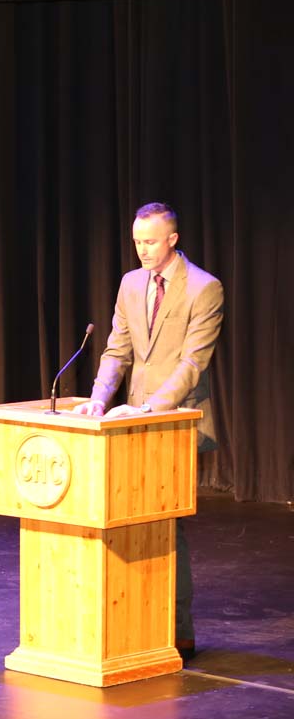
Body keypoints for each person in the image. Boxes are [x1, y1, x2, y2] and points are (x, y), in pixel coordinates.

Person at [71, 201, 224, 661]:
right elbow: (117, 349)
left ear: (173, 239)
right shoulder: (130, 283)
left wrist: (151, 410)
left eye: (151, 241)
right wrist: (99, 398)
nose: (142, 250)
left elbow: (193, 363)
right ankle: (134, 623)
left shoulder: (204, 288)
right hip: (129, 420)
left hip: (175, 420)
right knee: (127, 521)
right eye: (137, 241)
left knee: (166, 525)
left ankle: (178, 629)